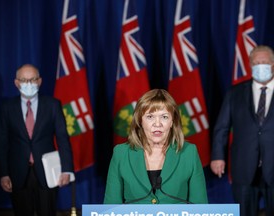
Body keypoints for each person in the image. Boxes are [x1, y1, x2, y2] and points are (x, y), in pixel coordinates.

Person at [104, 89, 208, 204]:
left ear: (172, 121)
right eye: (150, 117)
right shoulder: (121, 153)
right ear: (140, 120)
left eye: (164, 117)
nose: (157, 124)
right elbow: (110, 207)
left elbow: (200, 207)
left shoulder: (189, 152)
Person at [0, 64, 74, 216]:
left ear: (39, 81)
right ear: (17, 83)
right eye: (24, 80)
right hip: (17, 173)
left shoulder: (53, 105)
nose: (29, 84)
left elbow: (63, 139)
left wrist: (66, 169)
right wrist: (4, 173)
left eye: (32, 79)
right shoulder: (7, 107)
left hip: (47, 172)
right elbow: (2, 143)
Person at [211, 45, 274, 216]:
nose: (260, 66)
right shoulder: (235, 92)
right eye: (256, 62)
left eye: (265, 62)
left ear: (273, 64)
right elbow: (222, 127)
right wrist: (217, 156)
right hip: (244, 168)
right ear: (250, 65)